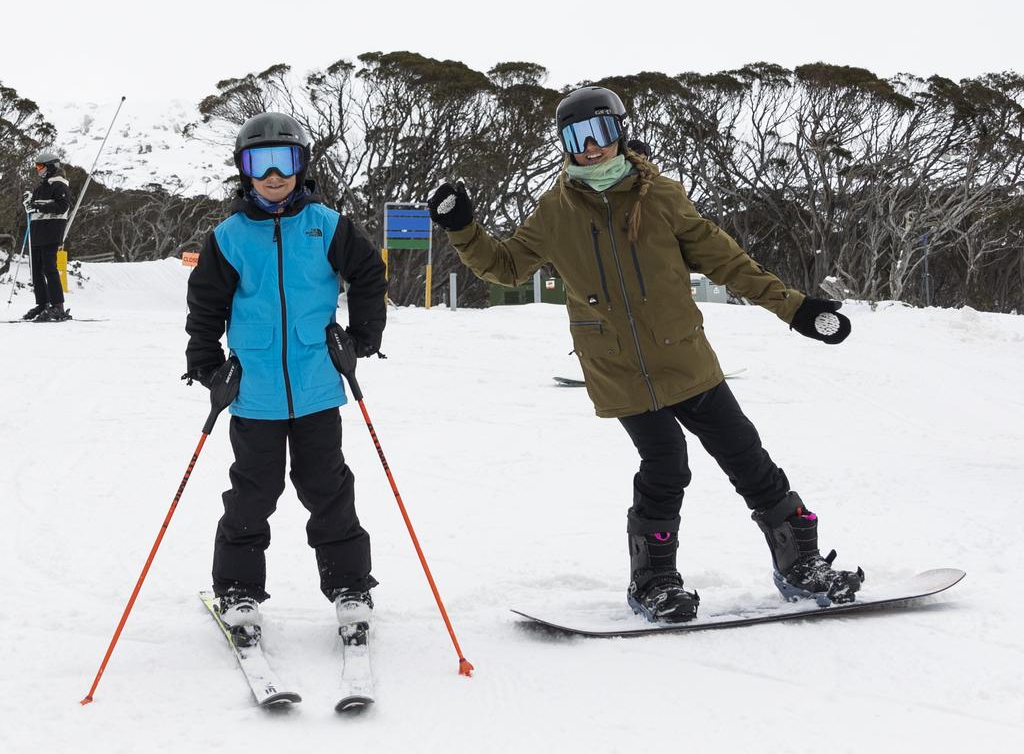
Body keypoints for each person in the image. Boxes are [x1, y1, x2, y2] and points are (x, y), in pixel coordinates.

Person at [427, 86, 863, 623]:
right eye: (576, 138)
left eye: (600, 134)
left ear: (620, 133)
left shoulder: (661, 198)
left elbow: (728, 261)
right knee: (665, 467)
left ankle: (802, 564)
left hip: (686, 359)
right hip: (619, 370)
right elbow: (506, 266)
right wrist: (463, 230)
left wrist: (794, 309)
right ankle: (654, 582)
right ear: (563, 145)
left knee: (748, 458)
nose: (591, 149)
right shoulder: (556, 211)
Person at [183, 112, 387, 642]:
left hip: (319, 386)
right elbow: (205, 306)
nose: (274, 175)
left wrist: (362, 339)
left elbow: (369, 274)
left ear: (302, 166)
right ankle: (238, 589)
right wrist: (206, 365)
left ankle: (349, 587)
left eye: (286, 161)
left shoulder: (327, 224)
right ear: (243, 170)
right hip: (255, 394)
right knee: (253, 494)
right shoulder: (227, 237)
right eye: (259, 163)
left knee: (328, 489)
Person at [22, 151, 71, 321]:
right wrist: (29, 204)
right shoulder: (40, 188)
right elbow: (35, 208)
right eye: (36, 166)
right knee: (36, 271)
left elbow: (62, 206)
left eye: (40, 166)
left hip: (51, 231)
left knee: (50, 268)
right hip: (37, 232)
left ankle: (58, 306)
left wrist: (37, 207)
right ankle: (43, 303)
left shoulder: (60, 186)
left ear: (51, 167)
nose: (37, 169)